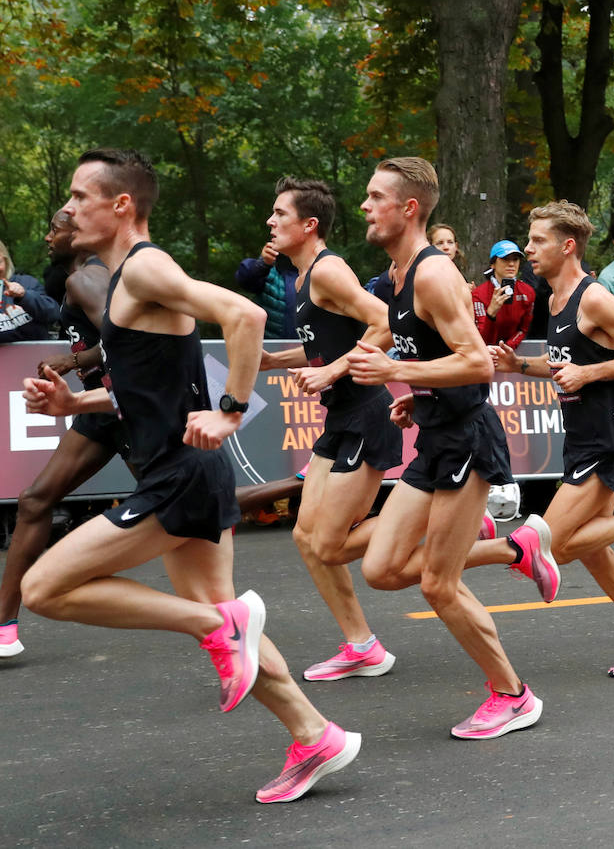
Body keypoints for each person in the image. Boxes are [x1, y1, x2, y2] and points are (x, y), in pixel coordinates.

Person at [20, 148, 360, 802]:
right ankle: (314, 732)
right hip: (185, 468)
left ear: (122, 204)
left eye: (81, 195)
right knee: (228, 620)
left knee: (45, 587)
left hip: (177, 473)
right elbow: (151, 390)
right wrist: (75, 402)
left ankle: (217, 628)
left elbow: (247, 317)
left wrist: (230, 410)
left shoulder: (145, 266)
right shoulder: (125, 279)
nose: (68, 207)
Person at [344, 157, 551, 740]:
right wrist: (420, 393)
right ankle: (514, 544)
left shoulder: (433, 275)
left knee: (437, 583)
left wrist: (397, 369)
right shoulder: (397, 275)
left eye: (375, 197)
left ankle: (512, 695)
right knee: (382, 569)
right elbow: (445, 362)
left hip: (467, 438)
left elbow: (475, 362)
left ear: (408, 208)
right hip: (436, 434)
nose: (365, 205)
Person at [466, 200, 614, 676]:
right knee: (592, 551)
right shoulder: (552, 299)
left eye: (538, 241)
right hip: (581, 437)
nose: (528, 249)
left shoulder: (593, 297)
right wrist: (518, 366)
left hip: (606, 439)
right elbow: (561, 369)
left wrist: (589, 374)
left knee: (555, 545)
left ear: (567, 246)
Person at [257, 177, 404, 683]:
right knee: (305, 536)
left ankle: (440, 521)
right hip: (339, 417)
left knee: (329, 542)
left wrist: (334, 371)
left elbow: (386, 321)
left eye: (280, 214)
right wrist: (272, 360)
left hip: (367, 412)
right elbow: (323, 343)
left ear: (308, 224)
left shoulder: (328, 270)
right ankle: (361, 645)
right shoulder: (300, 279)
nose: (271, 223)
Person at [0, 212, 124, 658]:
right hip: (101, 412)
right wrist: (79, 360)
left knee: (193, 510)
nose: (48, 236)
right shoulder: (81, 279)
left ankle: (295, 482)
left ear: (81, 233)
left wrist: (76, 360)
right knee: (35, 500)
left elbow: (131, 342)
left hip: (131, 411)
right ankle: (3, 627)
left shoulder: (87, 280)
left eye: (56, 228)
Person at [472, 239, 535, 347]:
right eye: (505, 259)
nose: (511, 264)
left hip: (513, 353)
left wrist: (507, 348)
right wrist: (491, 313)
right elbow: (481, 338)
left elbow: (523, 329)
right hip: (486, 353)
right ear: (493, 264)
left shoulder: (527, 292)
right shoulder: (479, 294)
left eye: (515, 259)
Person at [235, 236, 298, 339]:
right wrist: (262, 264)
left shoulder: (322, 272)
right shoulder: (269, 274)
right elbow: (245, 278)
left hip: (311, 352)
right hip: (270, 350)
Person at [0, 238, 60, 342]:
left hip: (35, 354)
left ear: (6, 260)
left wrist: (24, 296)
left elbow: (53, 314)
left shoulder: (27, 282)